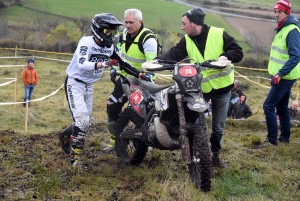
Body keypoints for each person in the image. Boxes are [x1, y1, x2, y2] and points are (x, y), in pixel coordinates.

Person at [153, 8, 243, 168]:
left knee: (218, 127)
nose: (182, 27)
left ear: (194, 23)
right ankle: (195, 152)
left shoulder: (219, 34)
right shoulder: (187, 40)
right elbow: (175, 53)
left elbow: (238, 52)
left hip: (222, 89)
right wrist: (157, 61)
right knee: (193, 121)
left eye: (184, 24)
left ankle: (214, 155)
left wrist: (226, 56)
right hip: (199, 89)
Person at [58, 13, 151, 167]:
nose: (110, 34)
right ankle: (75, 162)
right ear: (98, 30)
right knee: (82, 121)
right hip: (75, 83)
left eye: (113, 31)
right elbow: (82, 64)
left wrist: (139, 74)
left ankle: (66, 134)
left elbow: (122, 63)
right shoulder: (86, 42)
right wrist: (104, 64)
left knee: (86, 123)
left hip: (89, 85)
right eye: (108, 31)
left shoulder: (109, 47)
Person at [105, 8, 158, 151]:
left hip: (141, 81)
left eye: (131, 22)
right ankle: (115, 139)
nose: (127, 25)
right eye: (126, 22)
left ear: (140, 22)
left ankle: (145, 142)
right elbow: (119, 55)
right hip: (124, 78)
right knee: (112, 106)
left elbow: (152, 65)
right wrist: (114, 70)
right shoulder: (124, 34)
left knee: (137, 113)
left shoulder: (148, 39)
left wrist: (145, 81)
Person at [254, 0, 300, 148]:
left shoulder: (291, 30)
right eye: (275, 12)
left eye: (279, 12)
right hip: (283, 75)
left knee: (268, 105)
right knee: (281, 108)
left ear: (287, 12)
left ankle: (272, 140)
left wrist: (280, 73)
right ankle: (285, 138)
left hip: (284, 77)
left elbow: (296, 56)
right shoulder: (283, 28)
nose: (276, 14)